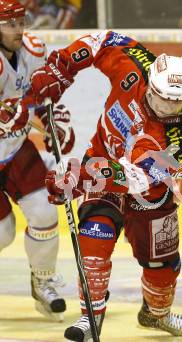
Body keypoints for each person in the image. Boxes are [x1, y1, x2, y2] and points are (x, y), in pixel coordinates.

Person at [29, 29, 182, 341]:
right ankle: (89, 318)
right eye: (162, 100)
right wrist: (62, 67)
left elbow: (137, 177)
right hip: (100, 162)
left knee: (161, 267)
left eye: (177, 104)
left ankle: (157, 314)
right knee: (95, 239)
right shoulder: (135, 64)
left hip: (148, 195)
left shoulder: (179, 138)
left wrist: (82, 178)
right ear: (150, 84)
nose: (167, 110)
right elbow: (102, 40)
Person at [0, 0, 74, 322]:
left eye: (21, 21)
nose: (19, 29)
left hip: (15, 151)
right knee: (3, 233)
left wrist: (54, 122)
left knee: (45, 212)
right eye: (9, 23)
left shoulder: (33, 49)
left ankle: (43, 280)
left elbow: (41, 98)